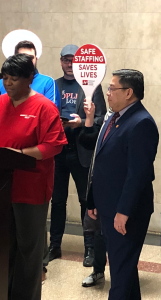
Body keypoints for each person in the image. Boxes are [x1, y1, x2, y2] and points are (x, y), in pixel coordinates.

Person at [0, 53, 67, 300]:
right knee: (3, 246)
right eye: (4, 78)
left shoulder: (44, 107)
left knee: (28, 248)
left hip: (30, 188)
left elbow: (54, 145)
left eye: (14, 78)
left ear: (30, 78)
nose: (7, 83)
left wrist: (19, 154)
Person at [88, 69, 159, 299]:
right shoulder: (116, 118)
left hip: (127, 212)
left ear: (129, 92)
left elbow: (137, 174)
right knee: (124, 269)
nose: (107, 93)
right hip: (110, 207)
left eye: (112, 88)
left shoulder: (141, 123)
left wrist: (123, 212)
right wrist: (94, 200)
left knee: (120, 274)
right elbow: (102, 163)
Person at [49, 44, 107, 267]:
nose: (69, 64)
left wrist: (81, 122)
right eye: (65, 59)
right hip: (58, 153)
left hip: (82, 151)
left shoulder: (92, 86)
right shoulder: (54, 85)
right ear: (60, 61)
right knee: (57, 201)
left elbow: (101, 118)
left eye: (73, 60)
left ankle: (89, 249)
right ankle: (54, 246)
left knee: (86, 202)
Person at [78, 101, 111, 287]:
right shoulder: (107, 118)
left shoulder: (133, 121)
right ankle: (98, 271)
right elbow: (87, 141)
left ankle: (124, 276)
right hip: (99, 184)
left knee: (120, 236)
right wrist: (89, 118)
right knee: (98, 232)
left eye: (112, 89)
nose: (108, 94)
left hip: (117, 187)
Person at [0, 40, 60, 107]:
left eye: (31, 58)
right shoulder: (2, 83)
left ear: (36, 59)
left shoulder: (47, 82)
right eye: (23, 57)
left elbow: (50, 111)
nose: (27, 61)